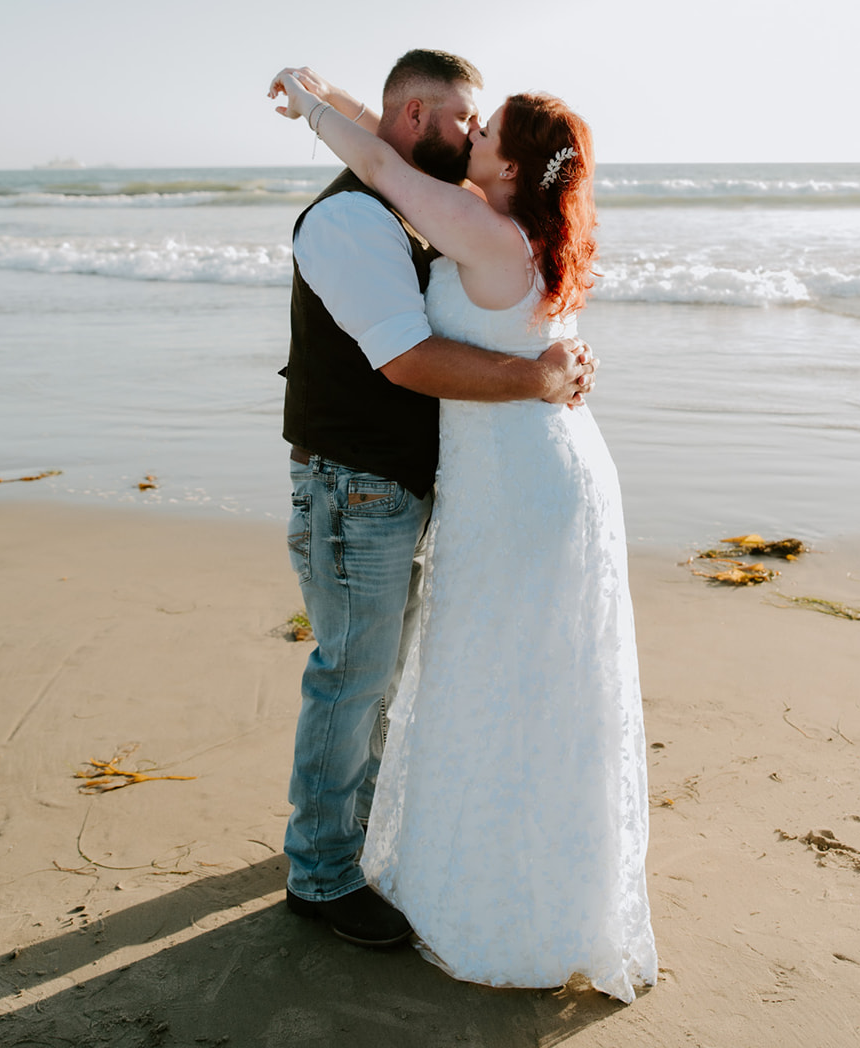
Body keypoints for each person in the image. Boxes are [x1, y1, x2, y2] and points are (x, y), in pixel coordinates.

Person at [269, 56, 658, 1003]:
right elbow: (404, 345)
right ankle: (326, 865)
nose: (471, 133)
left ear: (514, 172)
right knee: (380, 672)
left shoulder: (472, 222)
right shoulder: (439, 219)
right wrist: (323, 101)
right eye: (464, 121)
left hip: (515, 482)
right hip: (452, 478)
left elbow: (395, 154)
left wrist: (310, 102)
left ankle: (346, 852)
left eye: (484, 131)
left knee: (465, 674)